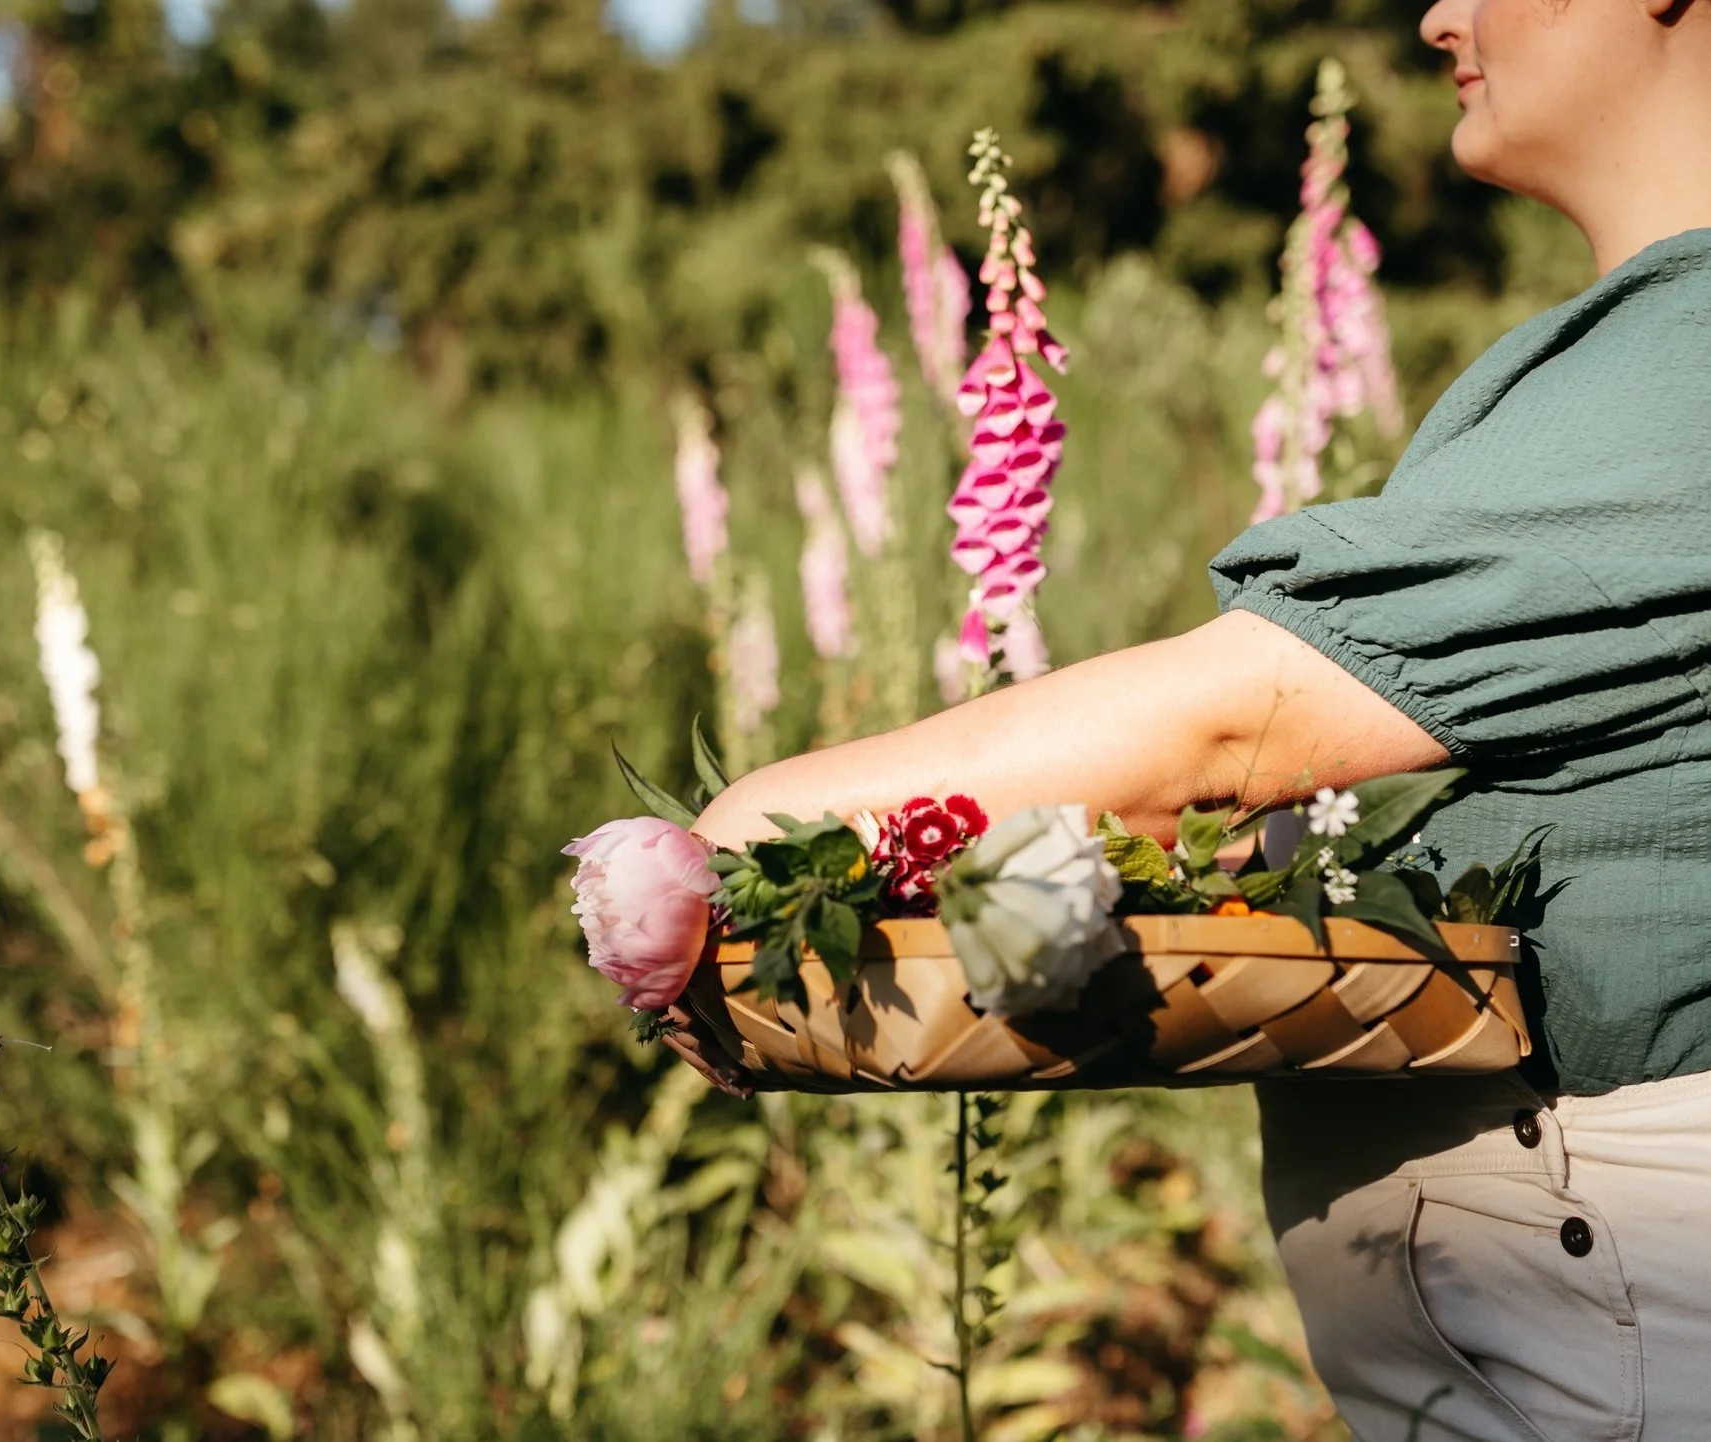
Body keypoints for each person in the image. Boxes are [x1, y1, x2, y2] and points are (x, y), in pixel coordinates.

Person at [681, 2, 1711, 1437]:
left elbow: (1229, 732)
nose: (1439, 13)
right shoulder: (1614, 353)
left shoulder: (1685, 369)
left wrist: (734, 843)